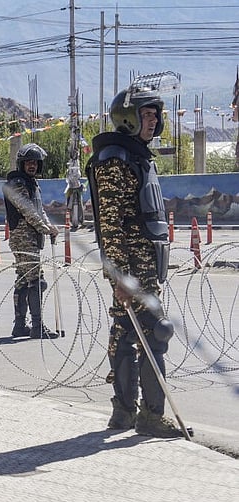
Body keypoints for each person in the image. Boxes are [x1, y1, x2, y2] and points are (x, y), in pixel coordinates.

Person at [86, 82, 182, 438]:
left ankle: (124, 414)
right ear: (127, 118)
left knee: (128, 334)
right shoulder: (115, 158)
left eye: (156, 115)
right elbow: (110, 226)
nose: (153, 121)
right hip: (132, 269)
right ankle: (150, 416)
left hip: (145, 265)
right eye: (145, 114)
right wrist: (120, 276)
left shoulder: (136, 156)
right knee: (155, 333)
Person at [3, 143, 59, 339]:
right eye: (28, 162)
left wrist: (49, 226)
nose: (32, 166)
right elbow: (27, 210)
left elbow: (39, 210)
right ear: (21, 164)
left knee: (23, 281)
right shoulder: (17, 183)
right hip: (23, 238)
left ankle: (20, 325)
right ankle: (37, 326)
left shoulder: (32, 183)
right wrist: (45, 228)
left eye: (35, 162)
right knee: (36, 281)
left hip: (31, 237)